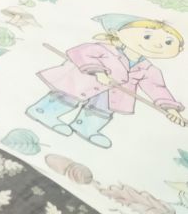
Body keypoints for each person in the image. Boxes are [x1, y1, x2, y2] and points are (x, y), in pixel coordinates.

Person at [26, 15, 185, 149]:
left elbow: (157, 87)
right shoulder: (106, 49)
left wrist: (171, 109)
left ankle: (85, 127)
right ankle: (43, 112)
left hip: (113, 94)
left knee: (102, 108)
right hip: (85, 81)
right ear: (119, 33)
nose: (157, 45)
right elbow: (80, 52)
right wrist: (99, 72)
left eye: (168, 42)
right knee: (69, 96)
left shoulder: (148, 69)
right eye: (147, 37)